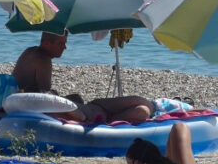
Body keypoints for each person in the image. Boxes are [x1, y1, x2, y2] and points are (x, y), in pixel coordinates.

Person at [13, 31, 153, 123]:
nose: (65, 47)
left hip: (96, 108)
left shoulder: (30, 52)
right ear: (46, 43)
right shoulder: (42, 59)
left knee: (143, 105)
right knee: (143, 109)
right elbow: (47, 95)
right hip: (100, 115)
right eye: (61, 43)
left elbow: (45, 93)